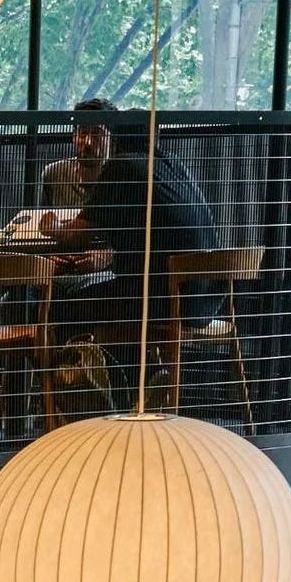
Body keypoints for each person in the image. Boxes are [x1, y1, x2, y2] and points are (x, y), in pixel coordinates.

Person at [38, 108, 222, 412]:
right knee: (110, 299)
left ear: (116, 138)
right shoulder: (171, 165)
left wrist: (51, 226)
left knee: (64, 306)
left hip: (164, 300)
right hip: (207, 298)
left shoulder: (123, 167)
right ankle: (142, 385)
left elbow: (75, 237)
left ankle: (84, 404)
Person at [39, 98, 117, 215]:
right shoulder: (55, 174)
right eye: (83, 132)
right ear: (74, 136)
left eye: (97, 133)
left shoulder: (122, 175)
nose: (88, 142)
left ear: (111, 138)